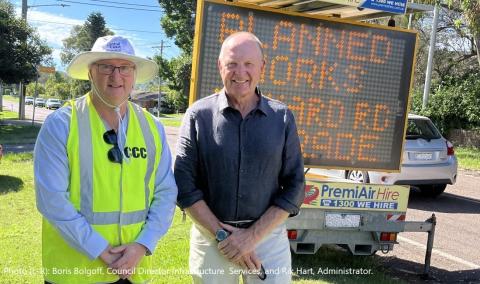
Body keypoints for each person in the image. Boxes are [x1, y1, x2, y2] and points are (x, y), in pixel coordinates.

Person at [34, 35, 178, 284]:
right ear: (91, 72)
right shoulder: (61, 125)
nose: (116, 75)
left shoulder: (152, 127)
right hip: (76, 273)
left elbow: (165, 192)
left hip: (134, 270)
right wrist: (101, 249)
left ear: (134, 74)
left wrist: (143, 244)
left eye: (124, 68)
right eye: (106, 67)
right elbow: (52, 201)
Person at [174, 31, 305, 283]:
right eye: (232, 64)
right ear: (220, 65)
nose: (240, 72)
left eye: (248, 64)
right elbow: (184, 184)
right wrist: (222, 236)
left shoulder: (283, 117)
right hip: (211, 238)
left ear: (262, 67)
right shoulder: (197, 115)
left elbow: (295, 186)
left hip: (267, 238)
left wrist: (251, 237)